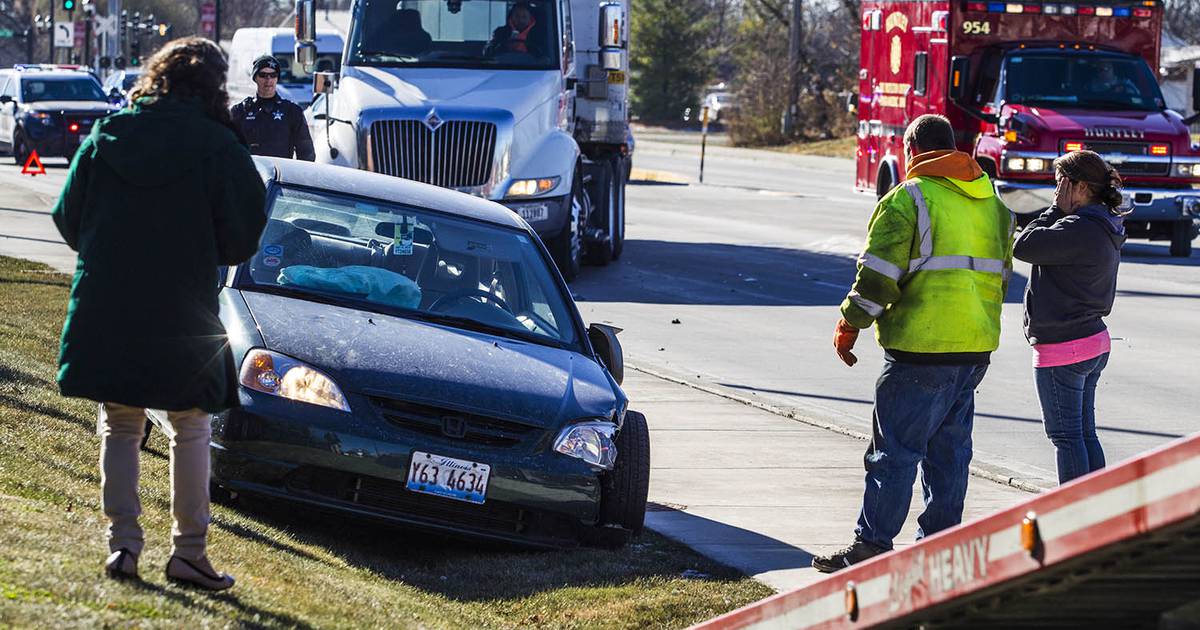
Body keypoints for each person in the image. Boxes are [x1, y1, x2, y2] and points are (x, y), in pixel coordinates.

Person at [51, 37, 267, 590]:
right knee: (190, 425)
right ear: (214, 86)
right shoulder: (220, 148)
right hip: (183, 306)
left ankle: (122, 545)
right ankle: (188, 553)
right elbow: (242, 236)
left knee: (120, 422)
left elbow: (68, 218)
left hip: (110, 300)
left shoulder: (109, 134)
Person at [812, 114, 1015, 573]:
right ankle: (939, 550)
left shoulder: (909, 199)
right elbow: (1001, 279)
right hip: (973, 349)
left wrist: (850, 324)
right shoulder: (993, 205)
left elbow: (877, 278)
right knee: (950, 454)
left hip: (920, 350)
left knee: (895, 453)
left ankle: (871, 546)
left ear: (911, 152)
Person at [1013, 150, 1125, 484]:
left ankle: (1076, 513)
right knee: (1084, 434)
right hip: (1092, 341)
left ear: (1078, 187)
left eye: (1060, 184)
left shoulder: (1077, 227)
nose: (1056, 192)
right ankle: (1097, 510)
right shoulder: (1103, 223)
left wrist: (1052, 211)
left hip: (1064, 347)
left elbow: (1024, 246)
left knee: (1067, 437)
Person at [229, 55, 316, 161]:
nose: (268, 80)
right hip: (250, 174)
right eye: (263, 75)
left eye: (273, 75)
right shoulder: (240, 111)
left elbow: (307, 153)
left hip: (281, 174)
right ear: (255, 78)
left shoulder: (292, 111)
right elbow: (227, 149)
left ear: (277, 78)